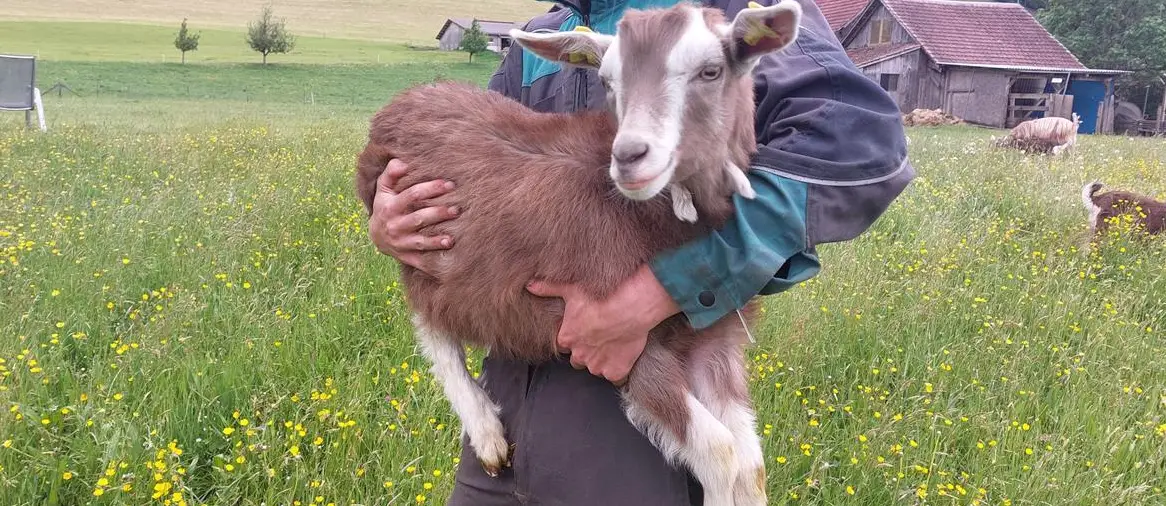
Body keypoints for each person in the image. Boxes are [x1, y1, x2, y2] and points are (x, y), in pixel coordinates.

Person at [367, 0, 914, 503]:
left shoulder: (724, 14)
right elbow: (480, 161)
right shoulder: (545, 35)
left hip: (639, 416)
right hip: (508, 397)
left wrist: (664, 289)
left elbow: (857, 145)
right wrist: (386, 216)